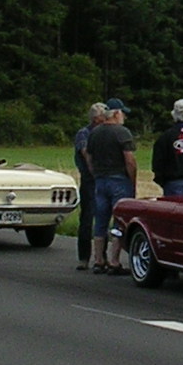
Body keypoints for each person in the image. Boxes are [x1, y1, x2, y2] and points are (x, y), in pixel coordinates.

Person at [84, 100, 138, 273]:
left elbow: (89, 158)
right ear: (116, 114)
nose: (124, 117)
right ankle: (115, 261)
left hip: (100, 180)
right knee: (119, 222)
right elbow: (129, 160)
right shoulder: (122, 132)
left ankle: (98, 259)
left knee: (100, 220)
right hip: (119, 180)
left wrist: (96, 174)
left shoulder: (94, 133)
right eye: (123, 113)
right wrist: (133, 181)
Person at [71, 101, 107, 269]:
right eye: (101, 118)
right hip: (89, 181)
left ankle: (102, 257)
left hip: (102, 178)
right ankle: (83, 258)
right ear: (95, 119)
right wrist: (95, 174)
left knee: (103, 218)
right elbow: (86, 155)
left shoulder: (104, 133)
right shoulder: (84, 134)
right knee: (87, 218)